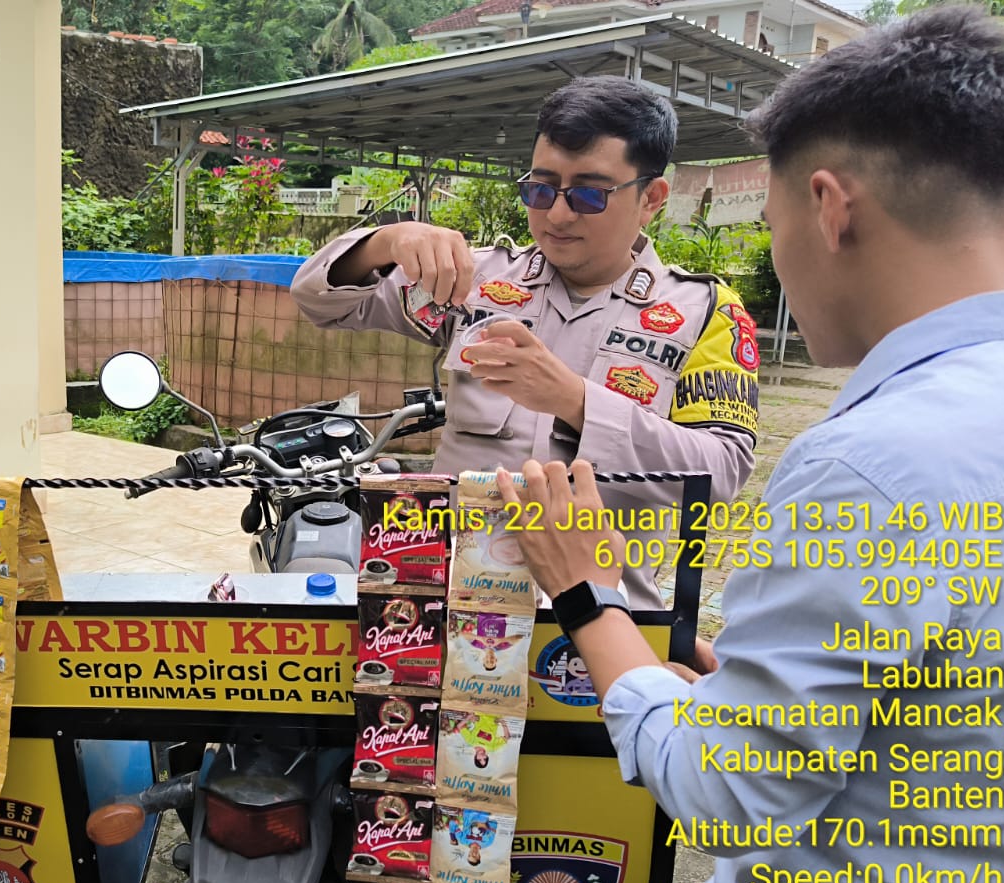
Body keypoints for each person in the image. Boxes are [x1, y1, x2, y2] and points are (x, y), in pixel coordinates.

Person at [495, 7, 1004, 883]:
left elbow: (730, 795)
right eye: (543, 189)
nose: (558, 212)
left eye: (771, 220)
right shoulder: (491, 276)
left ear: (828, 208)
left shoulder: (860, 461)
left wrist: (587, 594)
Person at [289, 76, 759, 639]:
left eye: (589, 195)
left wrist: (577, 401)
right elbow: (321, 302)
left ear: (651, 199)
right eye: (541, 189)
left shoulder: (705, 313)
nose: (557, 216)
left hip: (601, 623)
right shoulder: (474, 281)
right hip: (446, 609)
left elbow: (722, 473)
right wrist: (384, 243)